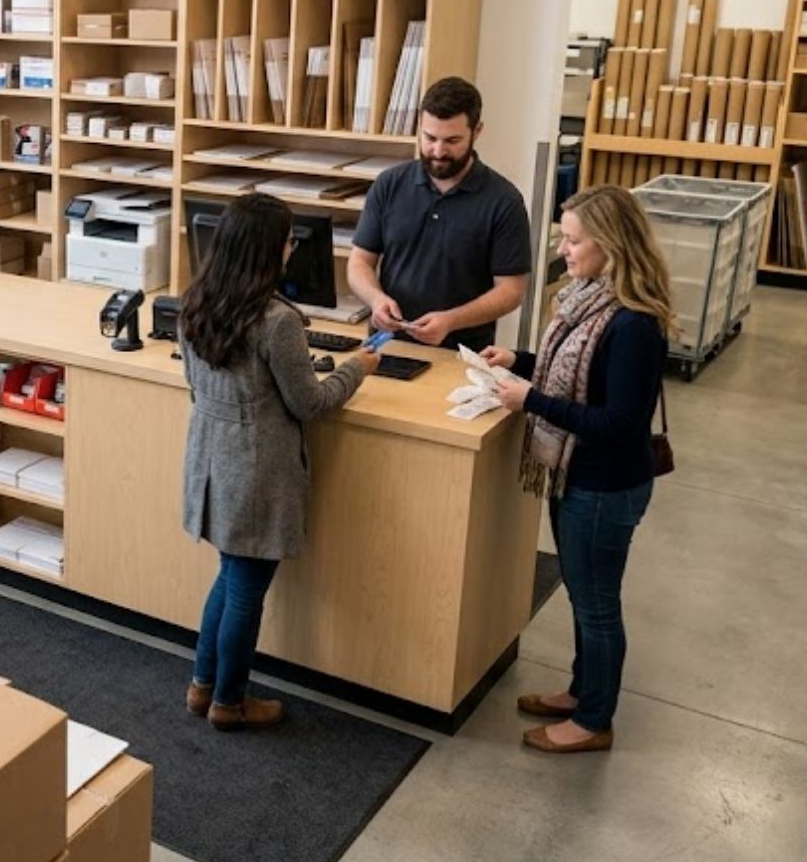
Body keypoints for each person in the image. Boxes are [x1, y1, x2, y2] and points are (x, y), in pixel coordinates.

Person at [485, 185, 674, 754]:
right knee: (583, 595)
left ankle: (594, 720)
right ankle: (581, 689)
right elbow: (578, 371)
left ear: (610, 244)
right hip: (580, 476)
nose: (562, 251)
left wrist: (530, 400)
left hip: (605, 483)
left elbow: (618, 420)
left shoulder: (634, 323)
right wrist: (518, 362)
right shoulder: (592, 299)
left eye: (572, 240)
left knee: (596, 604)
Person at [178, 194, 377, 731]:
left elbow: (196, 385)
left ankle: (203, 686)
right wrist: (358, 368)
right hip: (257, 469)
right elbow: (309, 404)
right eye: (289, 241)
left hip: (212, 462)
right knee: (245, 589)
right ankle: (229, 701)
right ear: (270, 250)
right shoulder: (276, 320)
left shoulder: (195, 302)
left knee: (228, 576)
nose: (292, 250)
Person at [347, 76, 531, 350]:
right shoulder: (389, 184)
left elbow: (511, 291)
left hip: (461, 351)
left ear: (476, 131)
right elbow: (359, 262)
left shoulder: (504, 200)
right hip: (387, 343)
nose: (438, 151)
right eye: (430, 138)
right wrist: (375, 299)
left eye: (452, 140)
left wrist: (451, 320)